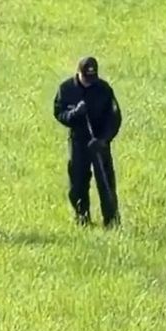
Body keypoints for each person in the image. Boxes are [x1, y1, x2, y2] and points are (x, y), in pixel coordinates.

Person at [53, 56, 122, 227]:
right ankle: (82, 218)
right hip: (79, 142)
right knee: (78, 182)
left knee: (106, 182)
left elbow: (115, 118)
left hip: (100, 142)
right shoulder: (66, 89)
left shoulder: (104, 89)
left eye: (92, 78)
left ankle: (111, 220)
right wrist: (75, 113)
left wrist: (104, 139)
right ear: (79, 73)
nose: (89, 82)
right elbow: (59, 113)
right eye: (86, 78)